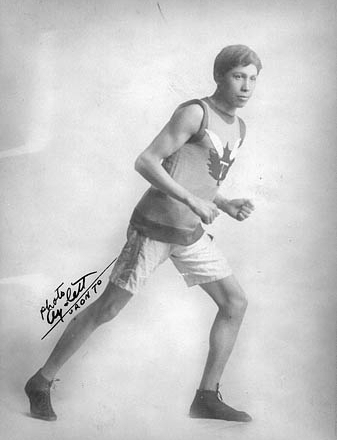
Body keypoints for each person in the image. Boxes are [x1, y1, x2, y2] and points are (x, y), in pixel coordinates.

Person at [25, 44, 262, 423]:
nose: (246, 86)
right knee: (109, 308)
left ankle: (206, 396)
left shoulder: (239, 127)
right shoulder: (195, 112)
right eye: (238, 76)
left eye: (252, 78)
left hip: (188, 231)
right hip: (154, 227)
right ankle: (41, 381)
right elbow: (147, 161)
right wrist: (193, 201)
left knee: (235, 304)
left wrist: (225, 202)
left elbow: (196, 173)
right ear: (220, 76)